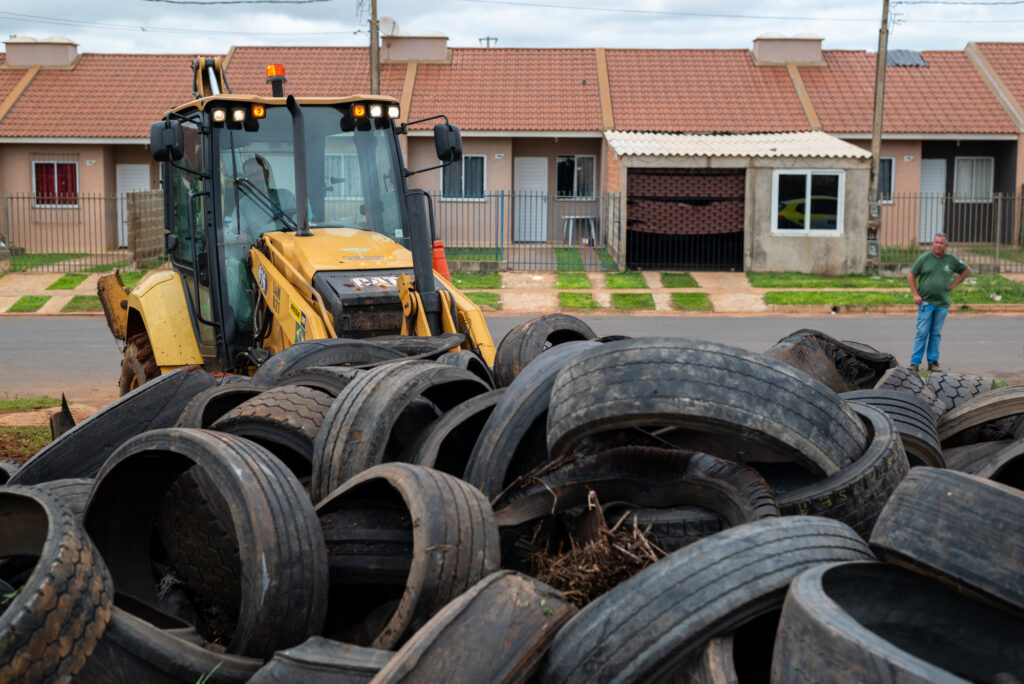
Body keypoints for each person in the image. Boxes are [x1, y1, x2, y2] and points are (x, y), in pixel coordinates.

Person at [906, 232, 971, 373]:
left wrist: (954, 284)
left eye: (941, 243)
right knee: (922, 332)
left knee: (935, 333)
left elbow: (966, 270)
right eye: (936, 242)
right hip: (926, 302)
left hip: (942, 304)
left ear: (946, 245)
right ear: (932, 244)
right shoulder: (924, 259)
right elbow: (911, 275)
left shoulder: (951, 260)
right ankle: (914, 363)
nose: (938, 245)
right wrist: (915, 294)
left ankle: (933, 363)